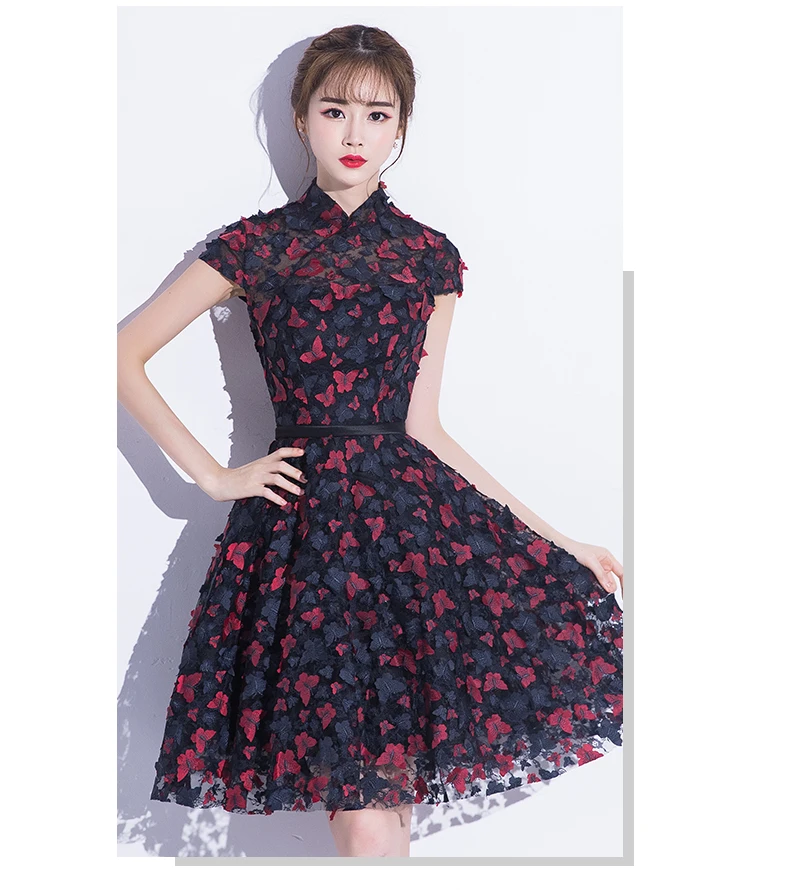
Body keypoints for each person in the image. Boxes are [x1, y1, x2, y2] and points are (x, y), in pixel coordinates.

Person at [118, 24, 624, 859]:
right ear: (301, 119)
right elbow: (120, 353)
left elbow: (424, 427)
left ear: (401, 129)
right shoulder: (256, 247)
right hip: (303, 542)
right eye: (334, 110)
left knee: (386, 818)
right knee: (364, 818)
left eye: (377, 115)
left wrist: (556, 540)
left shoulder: (428, 257)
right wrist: (212, 476)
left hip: (409, 540)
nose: (355, 133)